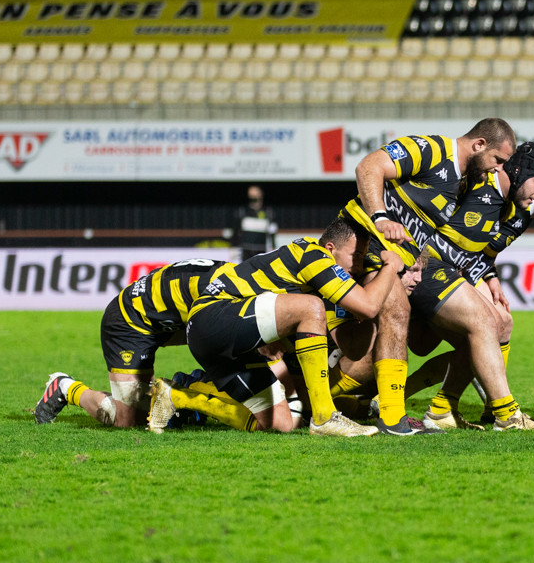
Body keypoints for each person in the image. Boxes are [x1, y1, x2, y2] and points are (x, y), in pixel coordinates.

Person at [336, 117, 517, 434]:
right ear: (478, 145)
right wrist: (379, 216)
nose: (495, 169)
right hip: (358, 245)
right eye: (496, 160)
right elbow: (368, 167)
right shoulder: (431, 149)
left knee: (369, 342)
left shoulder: (462, 182)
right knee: (394, 313)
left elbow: (423, 231)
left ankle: (324, 402)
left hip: (394, 262)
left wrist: (415, 268)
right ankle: (392, 418)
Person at [150, 216, 405, 437]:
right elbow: (369, 306)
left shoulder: (313, 266)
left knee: (281, 423)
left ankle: (176, 396)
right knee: (311, 307)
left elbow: (355, 343)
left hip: (221, 331)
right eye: (355, 256)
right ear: (331, 248)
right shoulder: (314, 255)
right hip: (213, 315)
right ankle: (325, 417)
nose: (358, 265)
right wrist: (391, 265)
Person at [408, 149, 534, 430]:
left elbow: (483, 249)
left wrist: (491, 275)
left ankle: (459, 408)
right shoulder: (499, 196)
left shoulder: (523, 212)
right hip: (428, 269)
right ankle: (501, 412)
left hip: (458, 269)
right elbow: (457, 232)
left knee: (501, 323)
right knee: (487, 325)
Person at [34, 258, 222, 428]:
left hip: (172, 317)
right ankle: (65, 387)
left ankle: (190, 389)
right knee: (128, 420)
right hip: (130, 323)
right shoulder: (235, 287)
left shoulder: (238, 278)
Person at [236, 185, 277, 261]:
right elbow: (237, 231)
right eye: (251, 195)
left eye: (255, 194)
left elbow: (272, 230)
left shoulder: (268, 211)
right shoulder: (243, 210)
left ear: (261, 195)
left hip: (261, 249)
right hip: (246, 250)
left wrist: (273, 246)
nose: (253, 197)